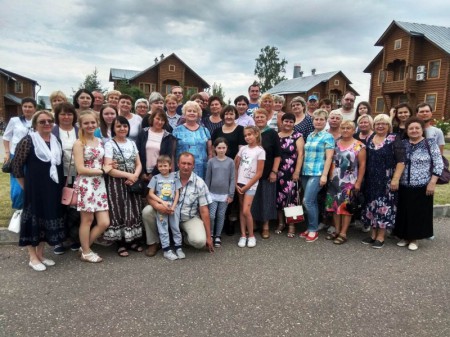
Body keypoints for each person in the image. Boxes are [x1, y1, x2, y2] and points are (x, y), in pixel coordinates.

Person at [11, 110, 65, 271]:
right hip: (34, 189)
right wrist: (25, 187)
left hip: (53, 188)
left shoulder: (56, 140)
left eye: (50, 121)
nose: (47, 124)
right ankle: (32, 257)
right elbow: (16, 166)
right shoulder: (28, 140)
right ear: (35, 124)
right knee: (33, 220)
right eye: (42, 122)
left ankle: (40, 254)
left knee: (47, 219)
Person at [142, 152, 214, 256]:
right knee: (147, 211)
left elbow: (204, 210)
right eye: (183, 163)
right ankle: (154, 243)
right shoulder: (166, 175)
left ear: (193, 165)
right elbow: (149, 196)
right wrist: (158, 206)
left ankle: (184, 238)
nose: (186, 166)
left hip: (187, 218)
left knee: (199, 242)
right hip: (164, 213)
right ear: (178, 164)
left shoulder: (200, 183)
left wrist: (208, 237)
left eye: (189, 164)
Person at [394, 117, 443, 251]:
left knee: (417, 212)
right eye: (411, 128)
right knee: (404, 211)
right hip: (403, 184)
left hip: (422, 184)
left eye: (417, 128)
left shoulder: (430, 143)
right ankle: (404, 236)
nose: (414, 130)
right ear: (407, 130)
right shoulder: (403, 143)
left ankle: (414, 238)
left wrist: (433, 182)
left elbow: (438, 163)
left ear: (422, 130)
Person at [361, 114, 405, 249]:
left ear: (389, 126)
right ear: (374, 126)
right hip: (371, 179)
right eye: (378, 124)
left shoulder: (394, 139)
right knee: (371, 206)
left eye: (384, 124)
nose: (380, 126)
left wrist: (396, 179)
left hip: (386, 179)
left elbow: (401, 161)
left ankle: (381, 236)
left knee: (384, 208)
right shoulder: (369, 138)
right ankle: (373, 234)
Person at [73, 110, 112, 263]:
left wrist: (108, 166)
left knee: (104, 222)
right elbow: (80, 169)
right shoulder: (79, 143)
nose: (90, 125)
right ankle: (87, 252)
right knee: (87, 220)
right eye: (86, 123)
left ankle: (84, 248)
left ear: (97, 123)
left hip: (99, 184)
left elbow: (103, 161)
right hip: (86, 184)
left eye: (92, 122)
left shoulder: (100, 141)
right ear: (81, 125)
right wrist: (102, 170)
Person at [103, 116, 143, 256]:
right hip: (117, 182)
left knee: (133, 209)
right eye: (119, 126)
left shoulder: (132, 143)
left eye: (125, 126)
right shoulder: (109, 144)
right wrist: (128, 176)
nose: (122, 129)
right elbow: (109, 169)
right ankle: (120, 243)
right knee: (119, 210)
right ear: (113, 128)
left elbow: (138, 163)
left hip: (132, 181)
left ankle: (132, 240)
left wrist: (135, 176)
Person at [325, 121, 366, 244]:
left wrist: (358, 182)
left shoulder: (359, 146)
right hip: (334, 180)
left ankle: (343, 233)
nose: (345, 130)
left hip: (349, 181)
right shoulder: (335, 143)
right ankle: (336, 230)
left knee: (346, 207)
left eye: (349, 128)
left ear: (354, 130)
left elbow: (363, 165)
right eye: (343, 128)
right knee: (335, 206)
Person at [300, 109, 334, 242]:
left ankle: (313, 229)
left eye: (321, 119)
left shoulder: (328, 136)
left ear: (326, 122)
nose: (318, 121)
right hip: (306, 172)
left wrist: (324, 175)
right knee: (311, 201)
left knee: (307, 201)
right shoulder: (310, 135)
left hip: (317, 173)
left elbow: (329, 157)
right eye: (316, 119)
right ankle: (309, 227)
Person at [51, 102, 80, 255]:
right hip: (59, 174)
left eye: (69, 114)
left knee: (75, 207)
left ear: (74, 116)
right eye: (62, 114)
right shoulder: (53, 131)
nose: (66, 117)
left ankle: (74, 238)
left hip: (78, 174)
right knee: (59, 206)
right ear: (57, 116)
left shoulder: (79, 130)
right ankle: (58, 239)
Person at [251, 108, 281, 239]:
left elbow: (277, 155)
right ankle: (254, 223)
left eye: (262, 116)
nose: (259, 119)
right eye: (257, 117)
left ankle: (266, 226)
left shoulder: (272, 133)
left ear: (266, 118)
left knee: (266, 199)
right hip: (251, 172)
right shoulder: (250, 133)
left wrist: (274, 171)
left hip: (267, 171)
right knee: (254, 199)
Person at [148, 155, 184, 260]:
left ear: (170, 166)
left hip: (173, 208)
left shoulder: (175, 177)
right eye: (160, 166)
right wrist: (162, 203)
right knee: (163, 228)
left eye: (165, 165)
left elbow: (177, 193)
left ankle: (178, 247)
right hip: (162, 208)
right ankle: (166, 250)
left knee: (175, 227)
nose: (163, 168)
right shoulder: (155, 178)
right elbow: (151, 193)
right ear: (157, 167)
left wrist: (173, 206)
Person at [3, 97, 35, 211]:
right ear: (22, 107)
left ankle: (29, 208)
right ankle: (18, 209)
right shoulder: (14, 120)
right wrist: (7, 153)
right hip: (16, 157)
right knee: (17, 186)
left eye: (30, 106)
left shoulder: (37, 121)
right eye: (25, 106)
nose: (27, 109)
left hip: (32, 156)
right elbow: (6, 137)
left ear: (34, 108)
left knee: (30, 184)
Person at [235, 126, 265, 247]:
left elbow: (259, 173)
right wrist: (236, 182)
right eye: (245, 135)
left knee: (246, 210)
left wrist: (247, 186)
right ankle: (243, 235)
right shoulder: (243, 149)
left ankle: (251, 235)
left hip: (250, 185)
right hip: (240, 183)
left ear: (256, 134)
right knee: (242, 210)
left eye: (250, 134)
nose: (247, 137)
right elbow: (236, 165)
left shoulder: (260, 151)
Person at [275, 113, 304, 237]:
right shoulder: (276, 136)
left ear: (294, 123)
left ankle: (291, 225)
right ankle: (281, 223)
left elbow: (301, 154)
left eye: (291, 122)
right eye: (286, 121)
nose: (288, 124)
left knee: (291, 198)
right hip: (278, 172)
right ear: (281, 122)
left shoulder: (297, 136)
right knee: (279, 198)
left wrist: (297, 171)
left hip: (291, 172)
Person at [205, 138, 235, 247]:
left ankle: (218, 235)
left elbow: (232, 179)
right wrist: (206, 193)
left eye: (223, 148)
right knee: (212, 215)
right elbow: (208, 178)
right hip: (212, 194)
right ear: (215, 148)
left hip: (224, 195)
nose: (221, 150)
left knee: (221, 215)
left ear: (227, 148)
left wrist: (231, 194)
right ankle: (211, 234)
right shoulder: (211, 161)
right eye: (219, 148)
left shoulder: (230, 162)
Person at [173, 101, 212, 179]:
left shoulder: (205, 131)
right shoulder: (177, 130)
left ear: (198, 114)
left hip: (201, 170)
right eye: (189, 111)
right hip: (182, 169)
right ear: (184, 113)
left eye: (194, 111)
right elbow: (172, 153)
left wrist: (209, 169)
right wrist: (172, 171)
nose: (192, 113)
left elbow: (210, 153)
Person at [137, 108, 176, 184]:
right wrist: (142, 173)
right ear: (152, 118)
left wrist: (153, 173)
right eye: (158, 119)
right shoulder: (143, 133)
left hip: (160, 173)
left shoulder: (168, 137)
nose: (160, 122)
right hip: (143, 173)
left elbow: (167, 156)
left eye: (162, 120)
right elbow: (137, 153)